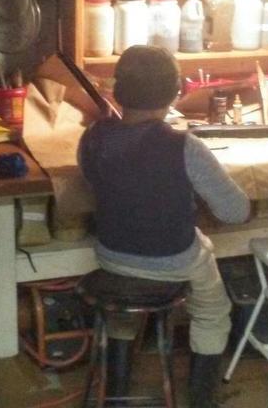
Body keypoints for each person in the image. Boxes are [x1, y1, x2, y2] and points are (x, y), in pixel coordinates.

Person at [78, 45, 250, 408]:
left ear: (118, 91)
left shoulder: (92, 137)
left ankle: (117, 394)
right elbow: (235, 212)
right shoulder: (184, 146)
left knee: (123, 310)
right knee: (212, 312)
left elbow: (101, 182)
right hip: (171, 258)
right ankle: (202, 400)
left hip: (112, 254)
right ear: (174, 93)